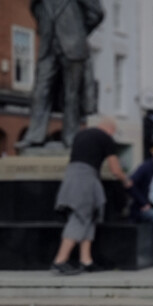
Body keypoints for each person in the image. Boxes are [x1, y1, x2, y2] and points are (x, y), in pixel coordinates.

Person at [18, 0, 104, 150]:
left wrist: (79, 33)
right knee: (40, 91)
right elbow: (36, 9)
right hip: (48, 46)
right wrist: (46, 30)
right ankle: (36, 136)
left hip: (72, 47)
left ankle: (71, 137)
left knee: (71, 95)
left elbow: (97, 12)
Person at [51, 117, 131, 274]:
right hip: (86, 179)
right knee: (80, 217)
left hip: (72, 176)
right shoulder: (105, 138)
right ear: (111, 130)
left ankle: (86, 260)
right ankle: (60, 260)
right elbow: (115, 169)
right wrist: (126, 180)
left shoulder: (81, 134)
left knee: (89, 217)